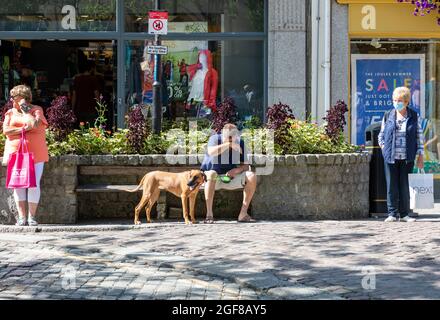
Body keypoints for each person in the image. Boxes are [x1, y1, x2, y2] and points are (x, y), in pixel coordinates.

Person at [2, 85, 49, 226]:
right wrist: (22, 129)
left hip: (36, 154)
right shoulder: (10, 113)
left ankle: (31, 217)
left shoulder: (36, 110)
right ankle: (22, 218)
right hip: (15, 154)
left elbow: (34, 124)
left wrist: (25, 110)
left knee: (33, 184)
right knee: (18, 185)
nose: (11, 100)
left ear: (23, 98)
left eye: (14, 98)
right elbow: (6, 130)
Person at [378, 87, 424, 223]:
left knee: (404, 186)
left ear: (406, 101)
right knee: (391, 186)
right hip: (390, 157)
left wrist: (420, 155)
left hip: (407, 157)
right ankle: (392, 214)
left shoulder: (414, 116)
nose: (396, 103)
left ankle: (404, 214)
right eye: (395, 100)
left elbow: (419, 136)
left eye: (400, 101)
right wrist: (383, 147)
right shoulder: (388, 115)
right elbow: (381, 135)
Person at [201, 123, 257, 223]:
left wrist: (237, 170)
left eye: (234, 138)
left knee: (251, 176)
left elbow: (246, 166)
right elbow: (211, 152)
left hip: (230, 178)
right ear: (223, 135)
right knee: (212, 174)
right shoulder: (214, 139)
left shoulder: (240, 142)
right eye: (228, 138)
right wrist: (228, 144)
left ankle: (243, 214)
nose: (232, 140)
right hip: (213, 179)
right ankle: (209, 215)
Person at [71, 60, 100, 126]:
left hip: (79, 108)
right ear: (91, 68)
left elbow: (74, 95)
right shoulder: (93, 79)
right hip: (91, 108)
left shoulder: (77, 79)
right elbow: (96, 94)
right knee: (91, 129)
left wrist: (72, 108)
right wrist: (99, 107)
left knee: (81, 129)